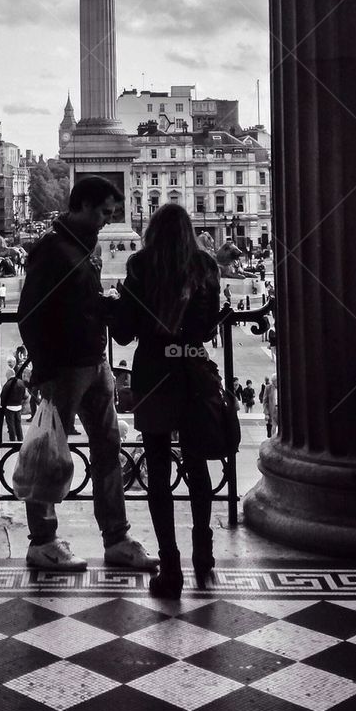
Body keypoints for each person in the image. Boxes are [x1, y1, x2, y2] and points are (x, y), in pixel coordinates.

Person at [18, 174, 157, 572]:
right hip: (63, 368)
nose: (106, 220)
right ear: (80, 205)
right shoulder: (52, 250)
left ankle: (116, 537)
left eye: (112, 213)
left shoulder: (82, 246)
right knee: (50, 451)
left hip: (95, 362)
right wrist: (43, 367)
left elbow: (75, 301)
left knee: (109, 446)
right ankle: (42, 541)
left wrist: (101, 304)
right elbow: (31, 313)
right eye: (102, 212)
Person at [109, 203, 222, 597]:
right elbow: (208, 330)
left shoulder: (141, 266)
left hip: (154, 370)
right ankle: (203, 554)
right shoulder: (206, 266)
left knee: (157, 469)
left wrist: (112, 303)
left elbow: (123, 333)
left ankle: (170, 566)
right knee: (197, 465)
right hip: (191, 370)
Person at [0, 365, 26, 441]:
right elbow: (24, 395)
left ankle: (12, 439)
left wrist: (2, 406)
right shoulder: (21, 383)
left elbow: (3, 396)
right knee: (18, 423)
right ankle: (20, 438)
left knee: (11, 424)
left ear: (8, 375)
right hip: (18, 406)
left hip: (9, 406)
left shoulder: (7, 384)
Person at [261, 373, 278, 437]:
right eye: (274, 381)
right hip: (272, 410)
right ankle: (272, 440)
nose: (274, 383)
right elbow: (265, 401)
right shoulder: (268, 388)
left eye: (275, 381)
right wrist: (266, 413)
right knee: (272, 427)